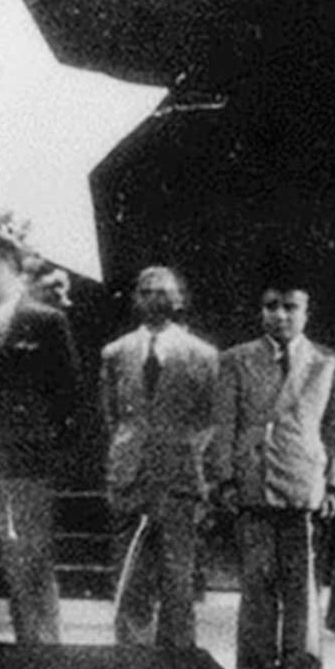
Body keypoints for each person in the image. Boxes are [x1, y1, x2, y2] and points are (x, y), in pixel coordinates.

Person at [211, 271, 335, 669]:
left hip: (304, 481)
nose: (280, 315)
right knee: (257, 579)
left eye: (290, 307)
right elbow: (224, 425)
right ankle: (255, 666)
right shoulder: (236, 360)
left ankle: (301, 667)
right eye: (271, 306)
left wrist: (334, 484)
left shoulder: (329, 362)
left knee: (302, 580)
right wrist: (226, 479)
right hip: (253, 479)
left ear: (306, 312)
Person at [0, 235, 81, 646]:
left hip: (24, 469)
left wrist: (43, 451)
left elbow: (67, 395)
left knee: (29, 570)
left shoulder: (46, 322)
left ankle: (39, 660)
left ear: (12, 268)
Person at [103, 266, 220, 648]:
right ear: (135, 299)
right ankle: (131, 659)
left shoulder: (202, 355)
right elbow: (111, 415)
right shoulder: (116, 353)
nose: (154, 299)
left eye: (164, 292)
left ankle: (177, 662)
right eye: (146, 291)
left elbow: (210, 418)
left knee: (177, 579)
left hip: (179, 478)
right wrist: (124, 455)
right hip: (131, 475)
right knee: (131, 576)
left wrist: (197, 467)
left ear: (179, 299)